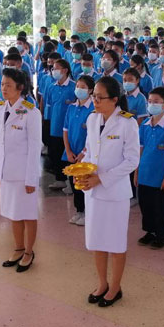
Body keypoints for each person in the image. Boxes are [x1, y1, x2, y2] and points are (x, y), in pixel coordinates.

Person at [76, 76, 140, 308]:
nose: (95, 101)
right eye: (93, 96)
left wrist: (101, 178)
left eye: (99, 97)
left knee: (115, 242)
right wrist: (84, 171)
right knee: (96, 241)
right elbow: (91, 152)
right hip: (92, 192)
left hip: (114, 194)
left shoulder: (127, 123)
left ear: (114, 99)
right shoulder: (92, 119)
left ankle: (115, 287)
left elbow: (132, 160)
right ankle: (102, 283)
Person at [0, 68, 42, 272]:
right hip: (6, 171)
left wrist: (31, 178)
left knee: (28, 213)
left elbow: (35, 147)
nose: (4, 88)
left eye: (8, 85)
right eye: (2, 84)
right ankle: (18, 247)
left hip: (23, 174)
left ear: (20, 88)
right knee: (13, 212)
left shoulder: (31, 112)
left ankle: (29, 251)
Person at [136, 86, 164, 249]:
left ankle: (163, 234)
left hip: (161, 177)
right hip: (145, 174)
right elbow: (140, 149)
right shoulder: (145, 125)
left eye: (156, 102)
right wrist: (136, 172)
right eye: (149, 101)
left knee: (160, 207)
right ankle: (150, 231)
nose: (151, 104)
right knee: (145, 205)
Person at [63, 75, 95, 225]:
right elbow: (65, 130)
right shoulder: (71, 107)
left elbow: (93, 135)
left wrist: (83, 153)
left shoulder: (93, 110)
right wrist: (68, 151)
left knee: (84, 182)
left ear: (90, 90)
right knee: (74, 182)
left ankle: (88, 213)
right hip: (71, 153)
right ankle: (79, 211)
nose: (79, 89)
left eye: (83, 87)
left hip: (85, 154)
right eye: (78, 86)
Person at [44, 58, 76, 191]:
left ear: (65, 70)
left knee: (68, 153)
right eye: (53, 69)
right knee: (55, 153)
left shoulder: (74, 87)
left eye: (56, 68)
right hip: (55, 125)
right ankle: (60, 179)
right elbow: (49, 104)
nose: (54, 71)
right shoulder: (52, 86)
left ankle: (71, 182)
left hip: (69, 127)